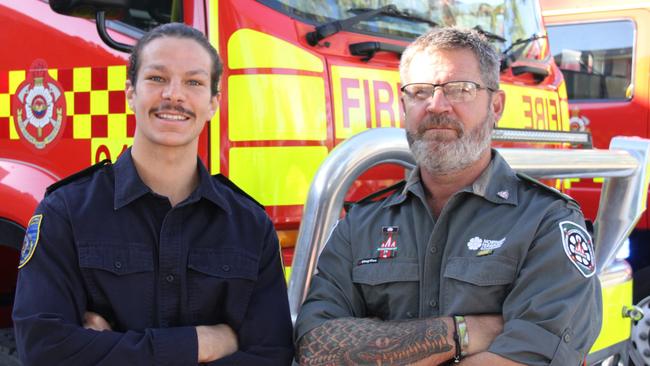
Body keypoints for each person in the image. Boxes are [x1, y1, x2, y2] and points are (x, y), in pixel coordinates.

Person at [295, 27, 602, 365]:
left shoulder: (546, 222)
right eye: (420, 91)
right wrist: (461, 333)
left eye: (460, 89)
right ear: (403, 104)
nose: (436, 106)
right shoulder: (360, 225)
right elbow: (315, 347)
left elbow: (532, 357)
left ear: (496, 105)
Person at [12, 23, 294, 365]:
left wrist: (112, 349)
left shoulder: (251, 226)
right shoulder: (66, 213)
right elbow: (44, 351)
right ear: (131, 92)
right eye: (157, 78)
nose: (174, 95)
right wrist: (200, 343)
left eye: (194, 82)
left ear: (213, 103)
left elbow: (272, 356)